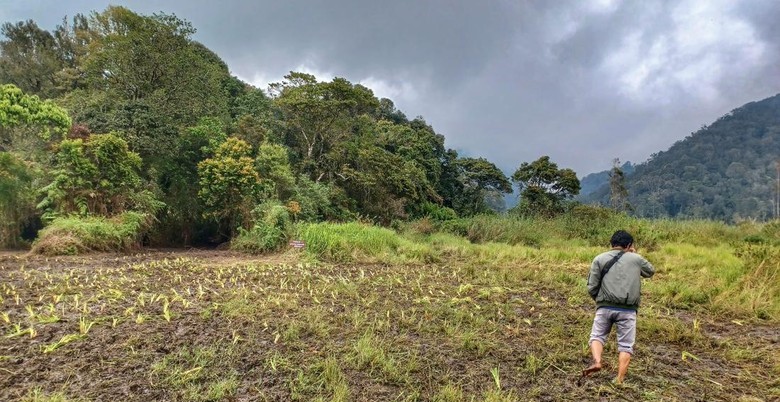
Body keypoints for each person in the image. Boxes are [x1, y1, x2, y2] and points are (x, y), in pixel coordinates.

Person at [582, 230, 655, 384]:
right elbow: (650, 271)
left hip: (605, 307)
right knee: (626, 345)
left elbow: (591, 286)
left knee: (597, 336)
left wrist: (600, 301)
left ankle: (597, 361)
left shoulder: (599, 259)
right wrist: (635, 254)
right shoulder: (636, 259)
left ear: (611, 244)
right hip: (628, 310)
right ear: (629, 245)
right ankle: (619, 380)